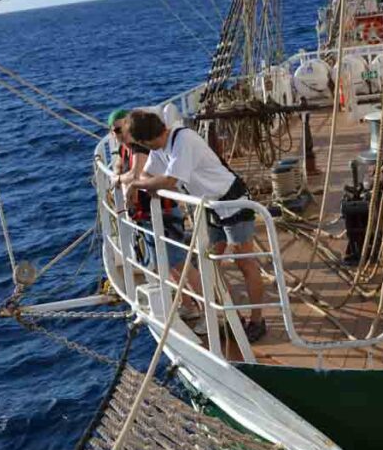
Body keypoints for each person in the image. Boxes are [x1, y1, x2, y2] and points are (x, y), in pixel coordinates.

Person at [125, 109, 267, 343]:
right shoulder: (162, 149)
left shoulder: (183, 141)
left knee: (244, 261)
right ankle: (234, 317)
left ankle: (257, 321)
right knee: (211, 263)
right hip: (211, 207)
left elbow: (168, 181)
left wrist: (136, 184)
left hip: (232, 202)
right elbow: (149, 173)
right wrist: (140, 182)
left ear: (145, 141)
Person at [109, 109, 185, 269]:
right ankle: (183, 295)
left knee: (177, 265)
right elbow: (119, 163)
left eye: (124, 127)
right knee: (166, 267)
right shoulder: (125, 148)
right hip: (146, 214)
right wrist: (117, 171)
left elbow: (136, 174)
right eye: (117, 130)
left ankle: (195, 292)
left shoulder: (138, 147)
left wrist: (118, 179)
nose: (121, 132)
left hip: (162, 212)